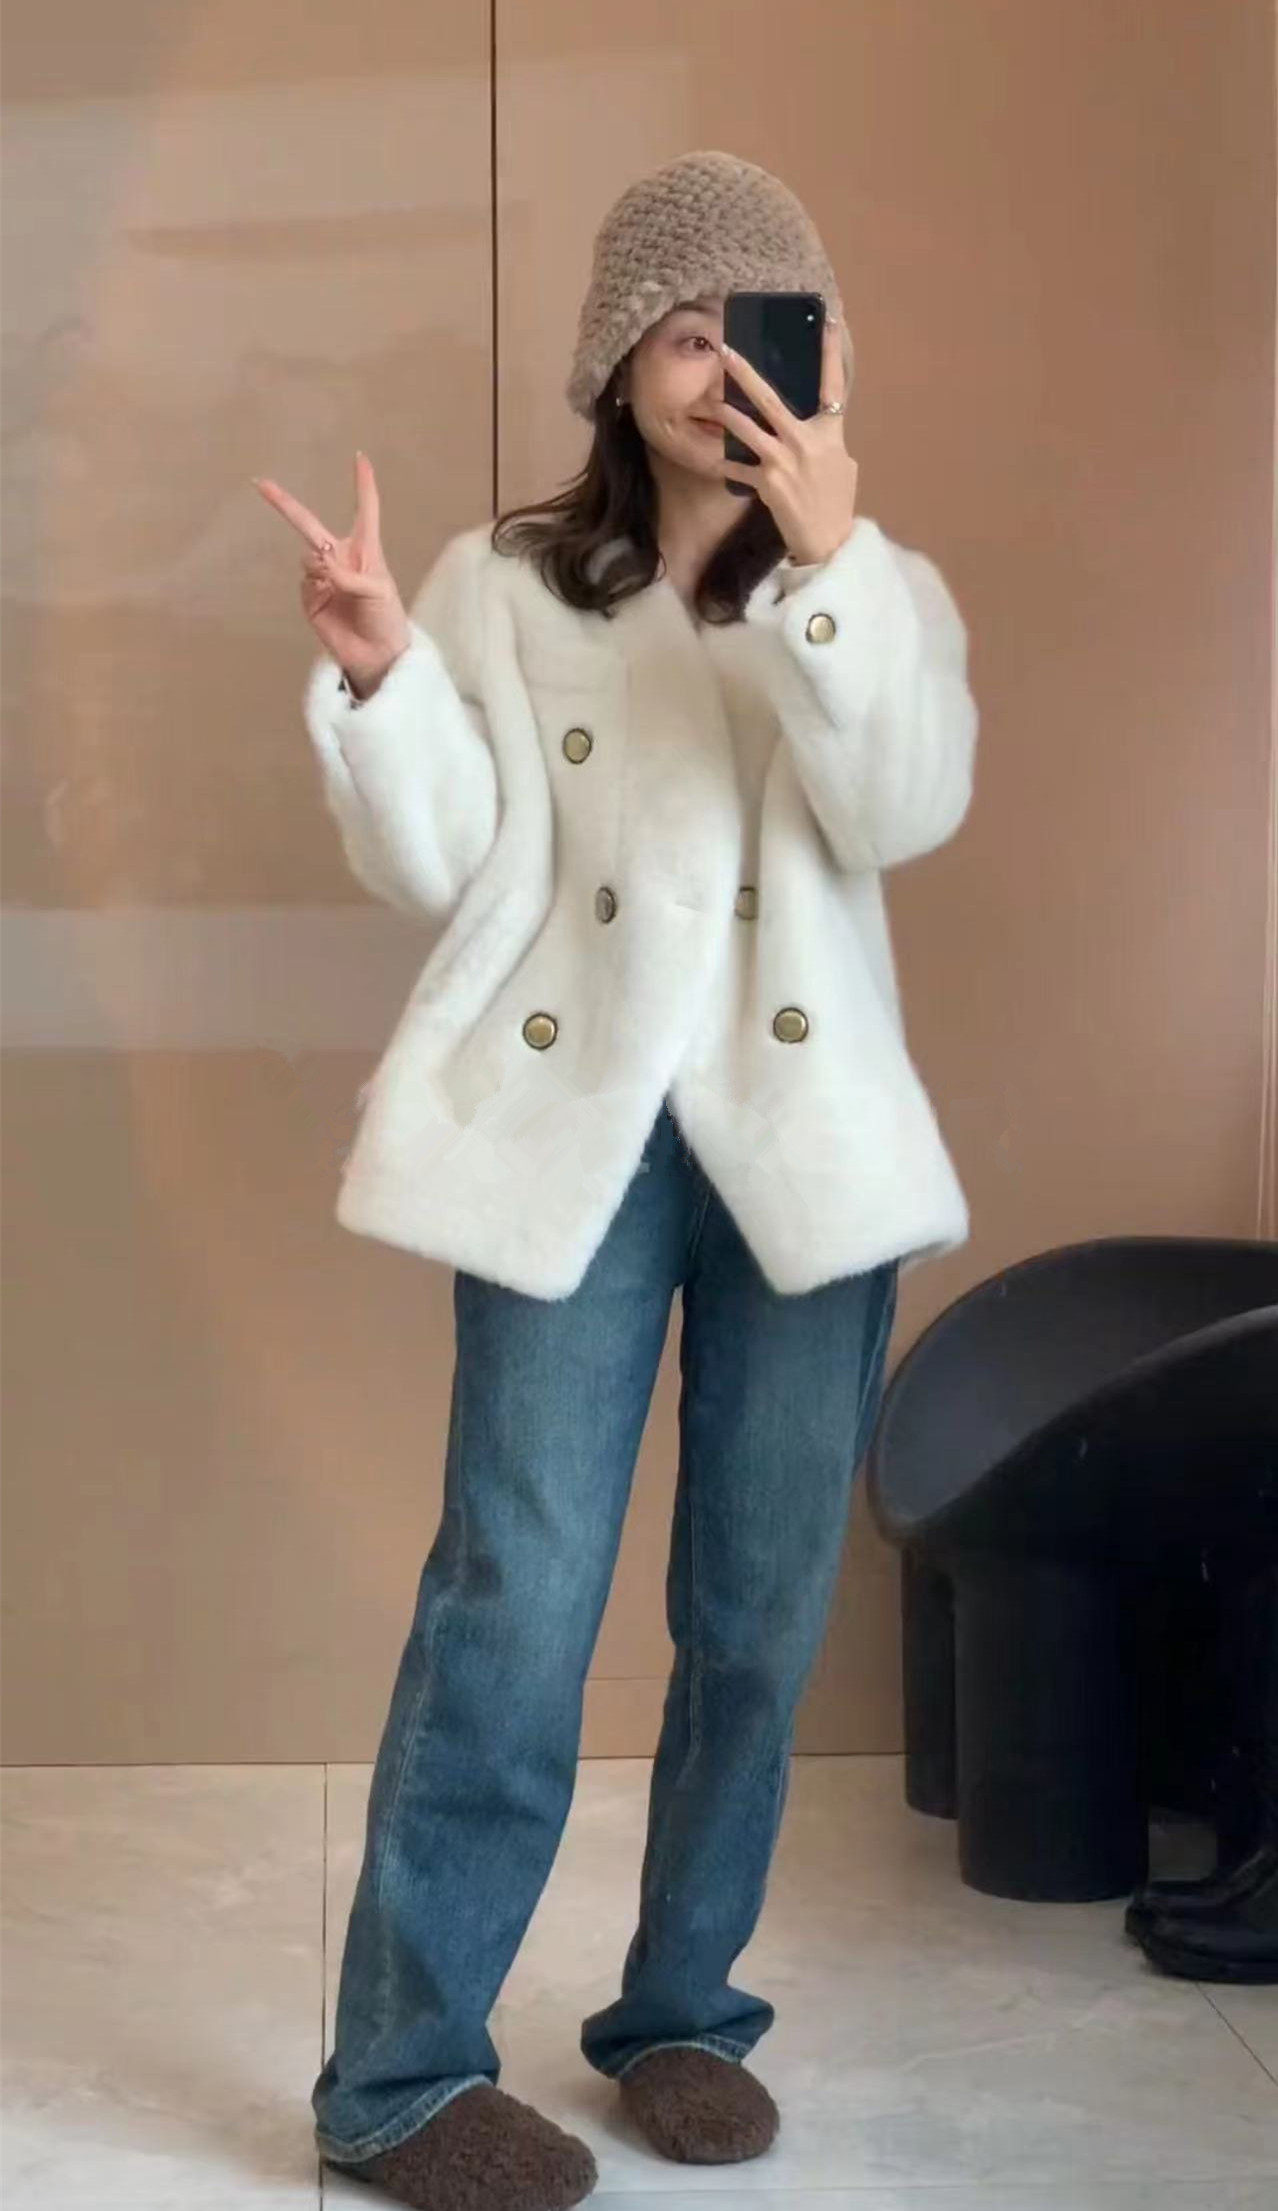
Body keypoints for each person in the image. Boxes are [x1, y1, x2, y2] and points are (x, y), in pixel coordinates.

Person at [254, 150, 979, 2211]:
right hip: (571, 1134)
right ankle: (399, 2076)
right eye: (678, 325)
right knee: (514, 1590)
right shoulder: (502, 583)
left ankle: (682, 2012)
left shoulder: (878, 585)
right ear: (612, 360)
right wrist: (383, 669)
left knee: (758, 1609)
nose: (715, 365)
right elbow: (438, 860)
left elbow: (901, 806)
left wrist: (821, 567)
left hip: (798, 1151)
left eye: (760, 327)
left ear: (820, 360)